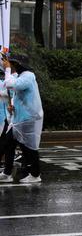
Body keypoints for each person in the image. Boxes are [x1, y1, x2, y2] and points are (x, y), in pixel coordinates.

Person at [0, 55, 44, 183]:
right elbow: (13, 93)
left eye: (11, 64)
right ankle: (7, 173)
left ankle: (35, 175)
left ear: (18, 65)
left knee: (29, 148)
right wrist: (12, 106)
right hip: (18, 119)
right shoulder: (20, 77)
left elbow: (10, 84)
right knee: (8, 144)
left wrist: (7, 70)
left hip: (28, 118)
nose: (9, 66)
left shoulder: (28, 76)